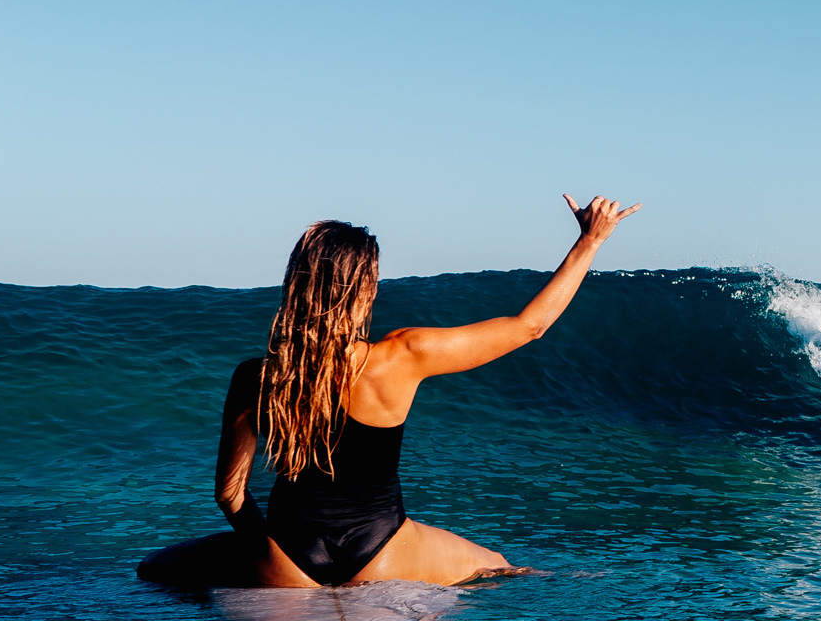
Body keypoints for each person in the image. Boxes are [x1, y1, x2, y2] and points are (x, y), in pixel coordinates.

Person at [211, 195, 639, 588]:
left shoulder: (255, 377)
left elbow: (230, 494)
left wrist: (271, 552)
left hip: (288, 555)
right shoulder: (402, 355)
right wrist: (590, 240)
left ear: (296, 282)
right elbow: (530, 326)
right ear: (365, 287)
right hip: (382, 551)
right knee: (499, 565)